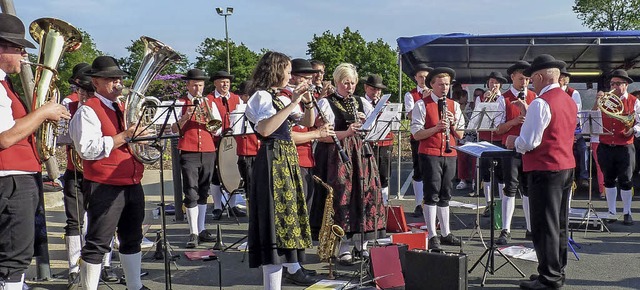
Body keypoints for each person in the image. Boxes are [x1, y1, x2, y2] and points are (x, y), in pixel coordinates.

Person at [0, 14, 70, 290]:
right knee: (15, 258)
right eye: (18, 49)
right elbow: (5, 139)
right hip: (11, 179)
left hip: (16, 177)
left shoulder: (6, 84)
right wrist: (43, 112)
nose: (23, 55)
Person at [69, 56, 149, 290]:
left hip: (132, 181)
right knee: (98, 242)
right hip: (105, 184)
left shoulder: (122, 108)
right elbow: (87, 149)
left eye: (119, 78)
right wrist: (125, 136)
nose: (118, 83)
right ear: (96, 82)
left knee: (132, 238)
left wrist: (143, 137)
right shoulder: (88, 111)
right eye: (111, 79)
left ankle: (134, 285)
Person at [244, 51, 317, 290]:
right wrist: (294, 102)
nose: (290, 74)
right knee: (273, 224)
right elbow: (265, 129)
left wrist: (306, 102)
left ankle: (289, 270)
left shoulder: (279, 98)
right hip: (272, 159)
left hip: (286, 160)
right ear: (276, 70)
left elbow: (307, 122)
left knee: (287, 220)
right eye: (286, 69)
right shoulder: (261, 96)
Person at [505, 54, 576, 290]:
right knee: (560, 223)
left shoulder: (541, 102)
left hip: (545, 168)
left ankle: (549, 277)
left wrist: (513, 140)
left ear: (538, 76)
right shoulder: (568, 100)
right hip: (565, 165)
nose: (530, 83)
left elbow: (529, 142)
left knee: (544, 225)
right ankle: (557, 271)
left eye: (531, 78)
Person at [312, 63, 386, 264]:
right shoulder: (327, 102)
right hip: (337, 155)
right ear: (337, 82)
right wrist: (347, 132)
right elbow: (322, 136)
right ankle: (342, 247)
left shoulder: (361, 102)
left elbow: (375, 131)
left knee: (363, 195)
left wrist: (367, 125)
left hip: (361, 154)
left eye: (353, 83)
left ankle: (361, 245)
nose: (350, 87)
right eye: (346, 83)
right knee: (342, 197)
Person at [410, 67, 465, 250]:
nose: (444, 88)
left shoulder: (454, 105)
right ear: (432, 84)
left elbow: (460, 135)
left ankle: (446, 233)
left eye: (447, 84)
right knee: (431, 194)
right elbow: (416, 134)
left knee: (446, 194)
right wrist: (436, 128)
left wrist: (452, 124)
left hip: (450, 154)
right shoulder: (421, 105)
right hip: (430, 153)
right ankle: (433, 234)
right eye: (440, 84)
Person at [171, 68, 220, 248]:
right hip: (189, 150)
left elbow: (218, 128)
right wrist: (186, 116)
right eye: (194, 85)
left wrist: (210, 120)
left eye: (200, 85)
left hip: (208, 150)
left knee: (203, 190)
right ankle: (192, 232)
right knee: (190, 192)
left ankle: (201, 229)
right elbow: (173, 129)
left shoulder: (209, 103)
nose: (197, 89)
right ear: (188, 86)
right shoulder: (180, 103)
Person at [494, 61, 537, 245]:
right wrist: (514, 122)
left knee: (528, 189)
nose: (525, 83)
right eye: (521, 79)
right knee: (510, 188)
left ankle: (530, 227)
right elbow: (498, 129)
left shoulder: (535, 97)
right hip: (510, 149)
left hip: (529, 149)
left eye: (527, 79)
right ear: (512, 78)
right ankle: (506, 229)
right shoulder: (502, 99)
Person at [597, 69, 640, 225]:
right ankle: (611, 211)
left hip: (625, 146)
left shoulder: (635, 101)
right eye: (612, 83)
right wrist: (597, 101)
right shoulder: (606, 100)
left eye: (617, 83)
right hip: (606, 145)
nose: (614, 86)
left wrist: (633, 130)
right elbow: (594, 117)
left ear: (625, 84)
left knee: (626, 180)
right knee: (608, 179)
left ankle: (627, 212)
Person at [207, 70, 247, 219]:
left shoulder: (236, 98)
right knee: (216, 174)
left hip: (233, 140)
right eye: (222, 82)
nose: (225, 85)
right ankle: (217, 206)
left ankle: (232, 205)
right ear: (215, 83)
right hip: (216, 141)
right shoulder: (209, 99)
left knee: (233, 171)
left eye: (227, 82)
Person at [404, 63, 433, 217]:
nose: (423, 79)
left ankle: (430, 202)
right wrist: (424, 100)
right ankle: (418, 203)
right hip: (418, 136)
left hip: (433, 136)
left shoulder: (436, 92)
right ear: (415, 78)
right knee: (418, 169)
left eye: (426, 77)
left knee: (432, 170)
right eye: (420, 76)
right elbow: (409, 115)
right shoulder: (411, 94)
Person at [363, 74, 393, 205]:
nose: (376, 92)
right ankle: (369, 203)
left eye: (379, 90)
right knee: (368, 175)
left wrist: (390, 111)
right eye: (373, 89)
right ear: (365, 88)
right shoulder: (360, 103)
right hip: (368, 143)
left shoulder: (385, 103)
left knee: (384, 175)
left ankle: (384, 204)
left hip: (384, 142)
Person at [560, 68, 589, 189]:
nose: (561, 79)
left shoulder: (573, 93)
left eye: (563, 77)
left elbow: (576, 114)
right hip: (559, 129)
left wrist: (571, 132)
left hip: (573, 128)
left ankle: (584, 176)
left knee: (583, 148)